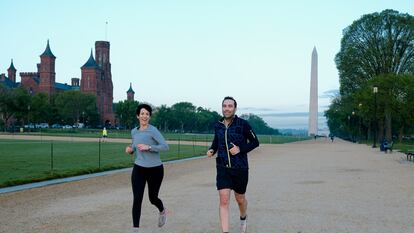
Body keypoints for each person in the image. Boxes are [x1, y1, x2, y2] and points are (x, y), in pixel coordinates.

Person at [207, 96, 260, 233]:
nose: (227, 108)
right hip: (222, 168)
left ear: (235, 108)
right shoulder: (218, 125)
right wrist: (212, 149)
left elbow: (255, 142)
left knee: (240, 199)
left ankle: (243, 217)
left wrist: (240, 149)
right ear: (222, 108)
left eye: (230, 106)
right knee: (224, 201)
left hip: (240, 168)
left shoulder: (243, 124)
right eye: (225, 106)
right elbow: (216, 141)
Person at [125, 104, 169, 233]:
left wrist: (149, 147)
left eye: (147, 114)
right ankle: (135, 229)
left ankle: (162, 210)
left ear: (149, 117)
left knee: (152, 198)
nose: (144, 116)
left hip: (155, 169)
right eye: (142, 113)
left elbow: (165, 147)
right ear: (138, 116)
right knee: (137, 199)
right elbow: (134, 146)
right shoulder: (134, 131)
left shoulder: (153, 130)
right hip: (139, 168)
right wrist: (130, 149)